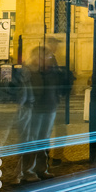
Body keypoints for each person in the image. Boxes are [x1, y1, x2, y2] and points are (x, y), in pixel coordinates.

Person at [14, 47, 61, 183]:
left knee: (44, 140)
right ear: (36, 58)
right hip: (34, 110)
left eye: (49, 57)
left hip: (49, 108)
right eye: (46, 57)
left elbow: (58, 86)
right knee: (31, 141)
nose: (49, 60)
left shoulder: (52, 71)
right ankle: (27, 171)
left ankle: (42, 169)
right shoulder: (28, 71)